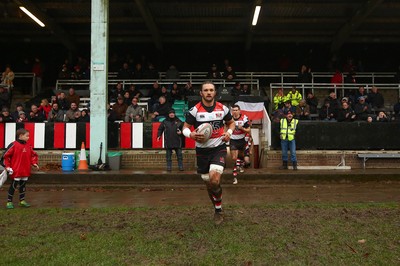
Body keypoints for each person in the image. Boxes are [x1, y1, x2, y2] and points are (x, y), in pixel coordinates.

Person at [182, 81, 235, 225]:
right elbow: (185, 128)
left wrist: (229, 132)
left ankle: (218, 211)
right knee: (209, 185)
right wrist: (191, 135)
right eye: (206, 90)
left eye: (211, 90)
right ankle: (218, 207)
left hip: (218, 149)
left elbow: (231, 123)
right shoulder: (195, 111)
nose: (209, 92)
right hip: (202, 152)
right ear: (201, 93)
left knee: (215, 180)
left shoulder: (222, 109)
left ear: (215, 92)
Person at [2, 128, 39, 209]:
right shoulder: (13, 145)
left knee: (23, 186)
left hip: (25, 170)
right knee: (13, 186)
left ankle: (22, 201)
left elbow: (33, 155)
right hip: (16, 170)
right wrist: (7, 167)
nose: (28, 137)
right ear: (21, 136)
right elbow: (5, 156)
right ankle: (9, 201)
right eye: (27, 136)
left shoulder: (28, 145)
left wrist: (34, 163)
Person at [229, 105, 251, 185]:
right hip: (233, 140)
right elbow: (225, 126)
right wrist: (225, 135)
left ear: (239, 111)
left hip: (242, 140)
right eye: (233, 110)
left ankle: (241, 164)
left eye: (236, 110)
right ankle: (234, 177)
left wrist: (242, 129)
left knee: (244, 159)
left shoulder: (244, 118)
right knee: (234, 158)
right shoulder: (229, 118)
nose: (235, 112)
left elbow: (248, 129)